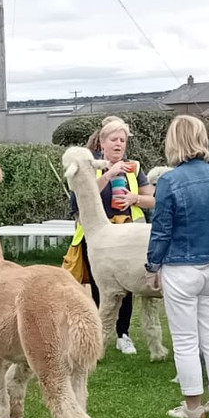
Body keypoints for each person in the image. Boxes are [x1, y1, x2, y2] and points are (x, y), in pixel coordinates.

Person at [145, 114, 209, 418]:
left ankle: (193, 407)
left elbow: (161, 230)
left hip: (181, 267)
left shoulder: (169, 181)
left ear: (173, 142)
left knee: (185, 340)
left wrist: (152, 266)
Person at [68, 116, 155, 354]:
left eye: (122, 140)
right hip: (97, 237)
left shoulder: (134, 168)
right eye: (114, 139)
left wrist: (135, 198)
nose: (118, 144)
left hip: (128, 237)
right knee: (100, 287)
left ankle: (123, 334)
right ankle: (98, 335)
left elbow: (153, 199)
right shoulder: (90, 167)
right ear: (102, 143)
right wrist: (108, 174)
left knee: (127, 287)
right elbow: (81, 196)